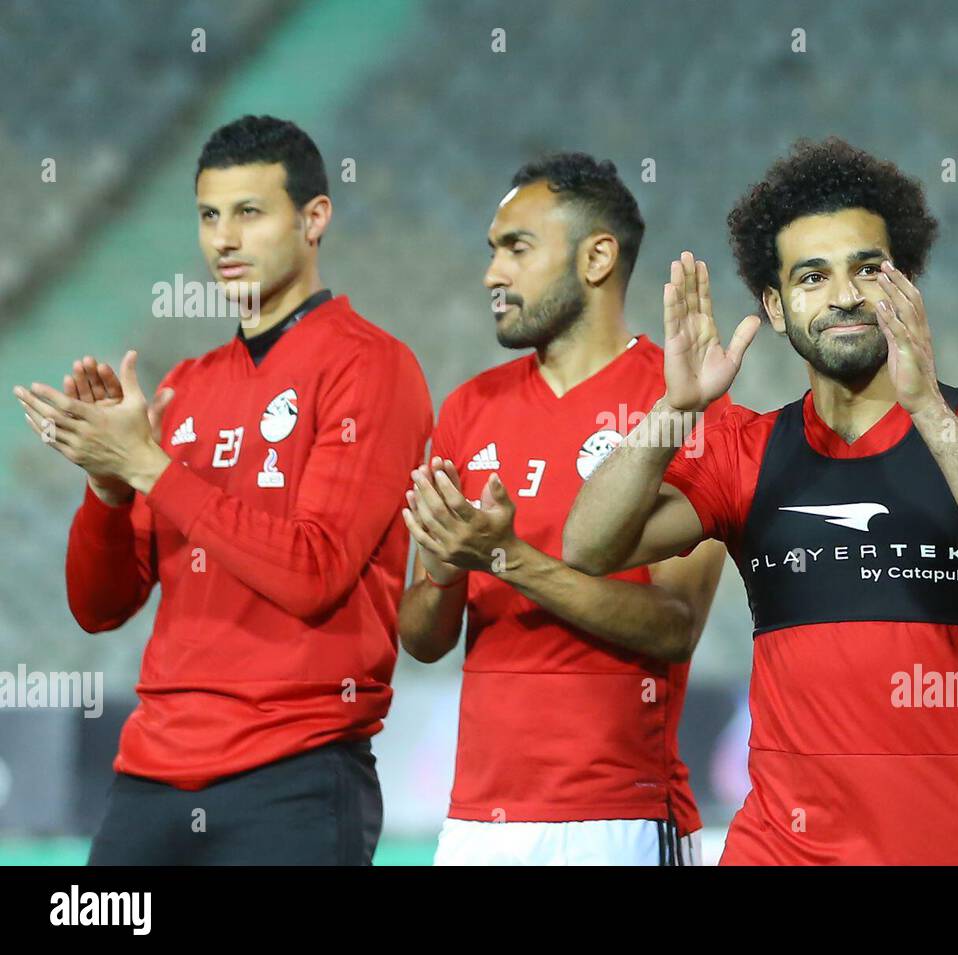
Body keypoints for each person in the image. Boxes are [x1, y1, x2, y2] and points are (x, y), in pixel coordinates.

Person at [564, 138, 958, 865]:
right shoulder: (747, 449)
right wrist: (675, 408)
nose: (842, 296)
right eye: (811, 276)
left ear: (907, 282)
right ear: (774, 306)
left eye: (868, 269)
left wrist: (925, 405)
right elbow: (589, 545)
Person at [13, 115, 432, 865]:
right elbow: (99, 607)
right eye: (209, 216)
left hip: (295, 776)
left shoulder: (373, 368)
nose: (223, 239)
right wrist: (108, 486)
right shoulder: (185, 386)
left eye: (249, 212)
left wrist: (150, 468)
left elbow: (316, 572)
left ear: (314, 219)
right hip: (148, 778)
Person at [398, 154, 729, 865]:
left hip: (621, 815)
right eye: (493, 252)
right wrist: (450, 571)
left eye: (516, 248)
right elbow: (422, 637)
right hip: (477, 824)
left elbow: (675, 626)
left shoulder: (681, 400)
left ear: (598, 256)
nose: (493, 273)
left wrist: (508, 560)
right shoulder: (468, 407)